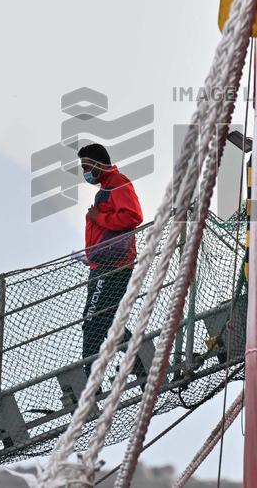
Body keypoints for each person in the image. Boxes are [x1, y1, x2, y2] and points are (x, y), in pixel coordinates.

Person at [77, 143, 147, 381]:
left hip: (112, 266)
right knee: (105, 320)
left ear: (98, 164)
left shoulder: (117, 182)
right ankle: (138, 358)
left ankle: (89, 377)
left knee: (93, 321)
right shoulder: (106, 188)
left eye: (86, 167)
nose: (84, 172)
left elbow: (133, 216)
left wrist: (98, 217)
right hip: (104, 265)